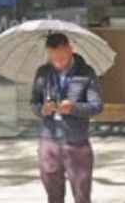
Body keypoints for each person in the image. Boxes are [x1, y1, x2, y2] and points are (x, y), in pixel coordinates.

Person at [30, 33, 104, 203]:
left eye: (62, 58)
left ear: (70, 49)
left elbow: (97, 106)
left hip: (76, 141)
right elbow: (34, 103)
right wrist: (42, 109)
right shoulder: (43, 73)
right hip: (49, 141)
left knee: (81, 194)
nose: (58, 62)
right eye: (53, 58)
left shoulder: (86, 72)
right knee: (53, 195)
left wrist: (73, 108)